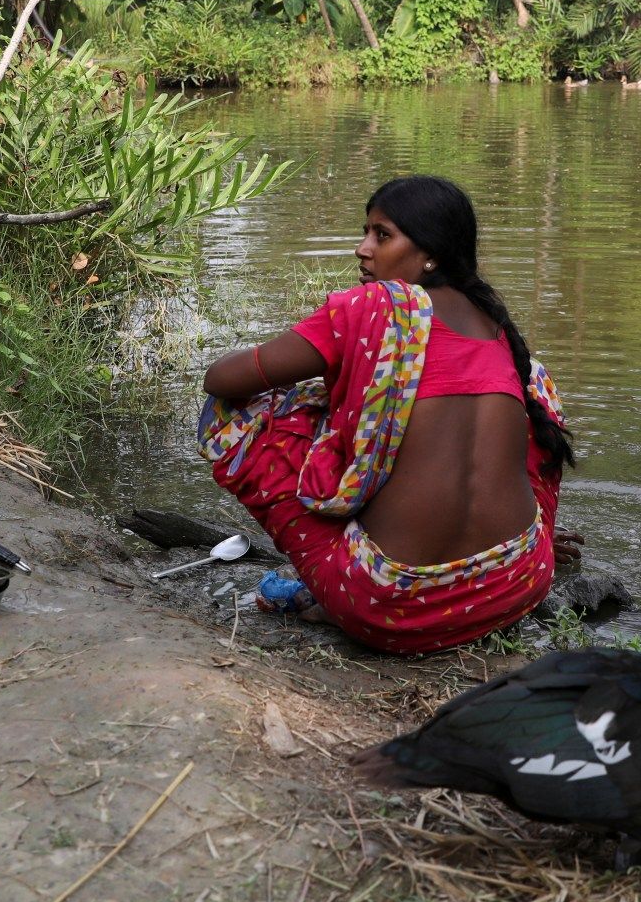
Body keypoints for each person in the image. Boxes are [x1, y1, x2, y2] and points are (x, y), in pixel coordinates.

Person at [198, 175, 576, 654]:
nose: (362, 249)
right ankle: (515, 540)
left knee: (232, 412)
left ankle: (329, 599)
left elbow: (222, 381)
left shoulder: (374, 307)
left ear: (431, 254)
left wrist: (325, 383)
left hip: (387, 609)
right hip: (517, 584)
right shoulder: (499, 331)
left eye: (382, 234)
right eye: (367, 233)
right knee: (535, 389)